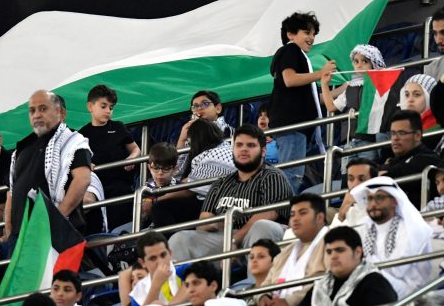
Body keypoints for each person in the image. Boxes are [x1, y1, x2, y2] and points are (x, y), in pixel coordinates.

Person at [168, 124, 291, 260]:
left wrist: (234, 240)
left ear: (263, 151)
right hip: (225, 236)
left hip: (258, 236)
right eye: (239, 145)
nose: (243, 149)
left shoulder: (272, 175)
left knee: (262, 226)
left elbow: (269, 214)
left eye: (250, 145)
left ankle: (257, 280)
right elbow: (204, 221)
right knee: (180, 239)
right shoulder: (221, 183)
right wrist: (212, 224)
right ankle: (187, 280)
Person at [5, 91, 92, 238]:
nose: (36, 115)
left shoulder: (73, 141)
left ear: (60, 112)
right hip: (21, 236)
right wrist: (9, 228)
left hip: (56, 232)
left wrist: (57, 219)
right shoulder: (21, 148)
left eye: (43, 109)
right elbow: (12, 192)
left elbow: (82, 179)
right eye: (32, 110)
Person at [268, 12, 330, 192]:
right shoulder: (291, 50)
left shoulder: (296, 54)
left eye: (313, 34)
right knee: (291, 177)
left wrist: (345, 88)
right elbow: (290, 79)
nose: (311, 37)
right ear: (290, 34)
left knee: (292, 175)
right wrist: (321, 73)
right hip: (293, 126)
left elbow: (314, 99)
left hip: (293, 127)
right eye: (306, 32)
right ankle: (283, 214)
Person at [350, 176, 431, 298]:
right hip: (370, 282)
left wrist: (363, 262)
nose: (373, 204)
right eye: (370, 198)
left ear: (395, 201)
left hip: (408, 288)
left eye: (379, 198)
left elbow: (397, 270)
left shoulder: (410, 229)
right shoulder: (363, 228)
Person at [78, 85, 140, 231]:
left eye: (111, 107)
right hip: (98, 191)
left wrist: (130, 159)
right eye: (103, 106)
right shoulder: (81, 135)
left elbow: (136, 149)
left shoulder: (118, 127)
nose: (108, 111)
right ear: (90, 106)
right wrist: (88, 163)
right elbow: (78, 160)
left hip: (121, 189)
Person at [299, 226, 397, 306]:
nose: (333, 256)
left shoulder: (375, 284)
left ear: (358, 252)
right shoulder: (321, 287)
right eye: (329, 252)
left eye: (340, 250)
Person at [260, 194, 328, 305]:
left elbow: (324, 281)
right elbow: (267, 282)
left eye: (303, 213)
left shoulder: (331, 244)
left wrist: (288, 302)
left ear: (319, 217)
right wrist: (263, 296)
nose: (295, 219)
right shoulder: (286, 251)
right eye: (292, 215)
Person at [380, 109, 442, 208]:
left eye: (401, 133)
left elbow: (404, 170)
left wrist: (384, 174)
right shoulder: (392, 162)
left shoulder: (428, 158)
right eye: (393, 133)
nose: (395, 138)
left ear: (417, 135)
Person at [118, 232, 182, 306]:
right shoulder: (137, 295)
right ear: (142, 262)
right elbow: (123, 275)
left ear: (170, 254)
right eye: (153, 258)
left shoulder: (184, 272)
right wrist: (156, 284)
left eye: (163, 255)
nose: (160, 262)